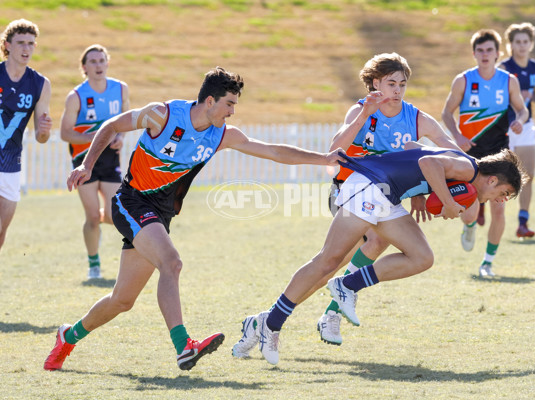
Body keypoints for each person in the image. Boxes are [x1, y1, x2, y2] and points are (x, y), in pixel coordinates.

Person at [43, 66, 345, 372]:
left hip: (160, 213)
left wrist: (322, 159)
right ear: (210, 101)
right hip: (131, 201)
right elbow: (110, 125)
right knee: (171, 262)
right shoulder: (161, 115)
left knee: (122, 300)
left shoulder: (223, 135)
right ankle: (183, 346)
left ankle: (67, 337)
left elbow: (273, 151)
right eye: (230, 104)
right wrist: (87, 165)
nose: (232, 112)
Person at [232, 143, 527, 365]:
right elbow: (426, 161)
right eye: (504, 193)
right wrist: (447, 201)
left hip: (387, 195)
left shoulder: (466, 166)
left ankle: (348, 285)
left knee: (422, 257)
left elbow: (414, 149)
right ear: (492, 180)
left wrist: (422, 194)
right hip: (369, 186)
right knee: (328, 261)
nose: (501, 200)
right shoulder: (469, 170)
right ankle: (269, 324)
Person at [314, 52, 462, 346]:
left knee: (343, 261)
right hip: (346, 191)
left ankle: (323, 314)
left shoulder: (415, 117)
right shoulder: (360, 110)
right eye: (391, 83)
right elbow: (335, 149)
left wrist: (428, 186)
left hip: (383, 199)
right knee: (338, 261)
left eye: (402, 84)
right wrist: (363, 117)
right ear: (374, 83)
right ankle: (290, 315)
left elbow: (450, 150)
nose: (397, 90)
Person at [441, 29, 528, 277]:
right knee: (469, 209)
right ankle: (469, 226)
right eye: (480, 50)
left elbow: (522, 110)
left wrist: (520, 120)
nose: (485, 54)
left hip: (500, 155)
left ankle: (487, 262)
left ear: (498, 53)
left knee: (499, 208)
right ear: (474, 53)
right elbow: (446, 112)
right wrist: (457, 136)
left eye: (490, 50)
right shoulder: (464, 80)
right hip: (472, 155)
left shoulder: (508, 80)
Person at [60, 44, 130, 279]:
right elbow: (65, 133)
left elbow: (126, 122)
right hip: (83, 161)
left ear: (107, 63)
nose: (98, 65)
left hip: (110, 160)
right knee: (92, 217)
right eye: (93, 61)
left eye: (102, 60)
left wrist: (119, 137)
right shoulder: (76, 96)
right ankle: (94, 265)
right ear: (84, 67)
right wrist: (93, 138)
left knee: (112, 215)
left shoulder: (120, 89)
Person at [0, 19, 52, 252]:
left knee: (1, 229)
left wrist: (44, 131)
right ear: (7, 45)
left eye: (31, 43)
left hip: (11, 163)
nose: (26, 49)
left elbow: (42, 138)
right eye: (20, 43)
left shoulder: (40, 84)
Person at [499, 22, 535, 238]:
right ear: (511, 45)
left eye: (525, 41)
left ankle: (523, 223)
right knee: (498, 175)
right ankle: (479, 209)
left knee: (528, 175)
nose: (522, 46)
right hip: (504, 127)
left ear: (531, 43)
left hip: (525, 126)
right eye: (517, 42)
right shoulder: (503, 68)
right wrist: (516, 98)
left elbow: (534, 92)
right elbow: (496, 100)